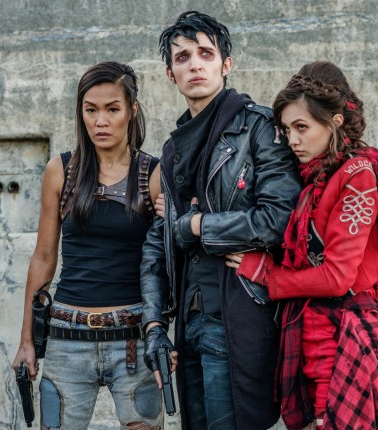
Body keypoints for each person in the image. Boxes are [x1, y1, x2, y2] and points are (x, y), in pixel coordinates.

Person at [140, 10, 302, 430]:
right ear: (170, 74)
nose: (195, 64)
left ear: (226, 64)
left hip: (237, 316)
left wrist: (198, 226)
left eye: (205, 54)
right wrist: (154, 324)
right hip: (188, 327)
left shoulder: (259, 129)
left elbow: (279, 217)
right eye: (182, 57)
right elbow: (158, 242)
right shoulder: (172, 150)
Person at [226, 61, 378, 430]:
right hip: (307, 338)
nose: (292, 140)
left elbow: (337, 277)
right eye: (286, 130)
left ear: (335, 122)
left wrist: (270, 277)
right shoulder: (313, 178)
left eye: (301, 127)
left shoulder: (358, 176)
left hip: (343, 342)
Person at [12, 61, 164, 430]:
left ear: (132, 110)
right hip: (67, 338)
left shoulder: (154, 174)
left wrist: (161, 334)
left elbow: (165, 261)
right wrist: (27, 340)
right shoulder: (61, 171)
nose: (100, 121)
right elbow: (43, 258)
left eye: (112, 109)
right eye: (91, 110)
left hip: (133, 338)